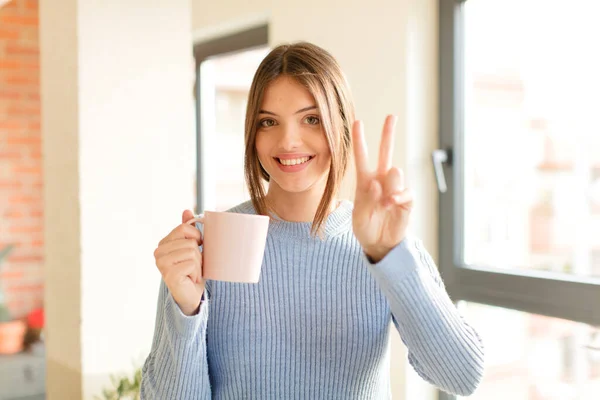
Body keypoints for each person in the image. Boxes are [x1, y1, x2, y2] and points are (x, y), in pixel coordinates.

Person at [141, 42, 485, 399]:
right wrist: (186, 309)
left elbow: (462, 376)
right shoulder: (207, 245)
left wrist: (389, 256)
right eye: (268, 122)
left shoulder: (381, 242)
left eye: (311, 119)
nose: (288, 141)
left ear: (340, 125)